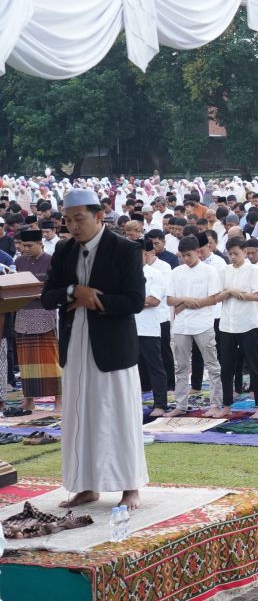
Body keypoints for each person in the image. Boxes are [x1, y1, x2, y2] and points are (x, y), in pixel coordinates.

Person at [41, 188, 147, 509]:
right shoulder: (63, 250)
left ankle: (130, 486)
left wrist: (94, 299)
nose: (73, 226)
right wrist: (75, 290)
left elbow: (134, 301)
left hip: (113, 348)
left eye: (79, 219)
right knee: (78, 415)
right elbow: (48, 296)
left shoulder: (125, 250)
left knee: (119, 415)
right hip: (75, 345)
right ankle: (84, 484)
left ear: (99, 216)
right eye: (68, 220)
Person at [167, 235, 223, 418]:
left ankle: (215, 404)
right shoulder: (176, 272)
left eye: (189, 255)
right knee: (181, 367)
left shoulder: (209, 271)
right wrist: (185, 300)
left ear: (198, 252)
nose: (186, 259)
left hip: (202, 323)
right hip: (181, 325)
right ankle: (180, 405)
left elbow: (214, 298)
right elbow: (170, 299)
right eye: (183, 256)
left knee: (212, 366)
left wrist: (194, 303)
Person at [13, 228, 61, 413]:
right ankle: (29, 400)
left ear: (41, 244)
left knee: (50, 361)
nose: (25, 249)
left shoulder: (51, 261)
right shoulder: (19, 261)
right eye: (23, 245)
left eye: (29, 245)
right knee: (27, 362)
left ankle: (59, 400)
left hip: (44, 315)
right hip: (23, 315)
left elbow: (54, 288)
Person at [217, 236, 258, 418]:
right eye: (230, 254)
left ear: (245, 252)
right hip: (227, 324)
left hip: (247, 323)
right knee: (226, 367)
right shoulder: (225, 270)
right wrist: (229, 292)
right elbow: (217, 296)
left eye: (236, 253)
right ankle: (227, 405)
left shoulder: (253, 269)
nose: (233, 257)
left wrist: (239, 294)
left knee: (254, 365)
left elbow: (256, 296)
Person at [135, 238, 169, 417]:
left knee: (155, 366)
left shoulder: (155, 274)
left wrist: (131, 302)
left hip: (148, 328)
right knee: (131, 368)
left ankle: (160, 404)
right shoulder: (125, 274)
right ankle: (132, 402)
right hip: (130, 328)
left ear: (146, 255)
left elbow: (154, 300)